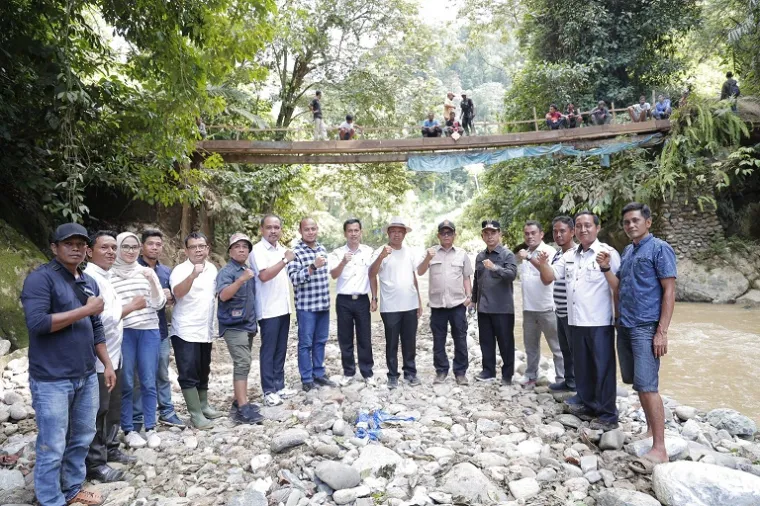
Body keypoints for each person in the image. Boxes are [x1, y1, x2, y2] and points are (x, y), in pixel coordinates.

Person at [21, 223, 116, 506]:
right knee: (52, 443)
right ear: (54, 247)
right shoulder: (40, 279)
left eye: (80, 244)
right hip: (51, 378)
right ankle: (50, 499)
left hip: (86, 374)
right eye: (68, 244)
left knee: (83, 435)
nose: (76, 249)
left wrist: (107, 363)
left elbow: (96, 326)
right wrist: (85, 310)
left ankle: (72, 488)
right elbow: (38, 323)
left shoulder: (88, 281)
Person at [599, 203, 677, 472]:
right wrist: (606, 269)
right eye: (626, 222)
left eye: (635, 220)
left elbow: (669, 291)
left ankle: (660, 449)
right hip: (626, 324)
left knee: (648, 386)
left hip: (646, 326)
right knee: (638, 384)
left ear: (648, 222)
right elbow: (619, 287)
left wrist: (662, 332)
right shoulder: (629, 251)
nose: (631, 225)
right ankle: (650, 431)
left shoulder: (659, 249)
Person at [537, 211, 621, 432]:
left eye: (588, 225)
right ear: (575, 230)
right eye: (580, 226)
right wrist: (543, 264)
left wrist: (618, 317)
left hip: (599, 322)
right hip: (575, 321)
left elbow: (618, 287)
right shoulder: (569, 256)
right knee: (583, 367)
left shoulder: (608, 253)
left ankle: (608, 415)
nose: (584, 229)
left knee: (602, 369)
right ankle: (588, 405)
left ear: (597, 228)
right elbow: (550, 277)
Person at [84, 231, 143, 483]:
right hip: (98, 356)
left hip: (114, 354)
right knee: (99, 409)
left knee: (113, 405)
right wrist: (131, 307)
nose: (110, 252)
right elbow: (99, 318)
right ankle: (96, 462)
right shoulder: (89, 279)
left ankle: (110, 447)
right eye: (104, 247)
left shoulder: (106, 277)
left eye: (113, 247)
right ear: (89, 252)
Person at [111, 232, 166, 449]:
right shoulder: (109, 275)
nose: (130, 251)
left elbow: (159, 303)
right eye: (125, 246)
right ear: (117, 248)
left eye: (134, 247)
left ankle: (150, 427)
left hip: (149, 330)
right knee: (126, 382)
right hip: (124, 332)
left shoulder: (145, 272)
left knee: (148, 380)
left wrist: (152, 280)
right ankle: (129, 429)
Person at [134, 229, 185, 431]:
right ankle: (138, 417)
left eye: (158, 244)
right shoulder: (134, 269)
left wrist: (170, 296)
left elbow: (173, 298)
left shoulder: (166, 272)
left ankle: (167, 411)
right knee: (139, 375)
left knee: (162, 372)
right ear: (142, 247)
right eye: (150, 244)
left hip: (161, 329)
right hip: (138, 329)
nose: (155, 248)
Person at [171, 232, 220, 429]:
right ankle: (195, 414)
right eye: (193, 247)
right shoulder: (180, 270)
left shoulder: (213, 269)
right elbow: (177, 293)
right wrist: (193, 275)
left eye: (202, 246)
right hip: (185, 329)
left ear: (207, 248)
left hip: (205, 329)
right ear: (186, 250)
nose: (198, 250)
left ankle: (204, 405)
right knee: (188, 371)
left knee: (203, 369)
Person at [417, 220, 473, 385]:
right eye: (443, 233)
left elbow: (466, 277)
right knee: (438, 340)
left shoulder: (461, 254)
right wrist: (428, 258)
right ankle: (441, 371)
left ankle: (460, 373)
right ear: (438, 235)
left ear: (454, 235)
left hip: (458, 304)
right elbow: (420, 271)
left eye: (449, 233)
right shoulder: (431, 252)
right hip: (437, 305)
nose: (446, 235)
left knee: (460, 339)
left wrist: (469, 296)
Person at [369, 217, 423, 389]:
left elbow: (414, 276)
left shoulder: (410, 252)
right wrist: (381, 257)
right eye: (393, 231)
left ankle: (410, 373)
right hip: (390, 306)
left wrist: (419, 301)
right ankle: (392, 375)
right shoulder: (381, 251)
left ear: (405, 234)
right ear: (388, 233)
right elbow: (371, 273)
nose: (396, 234)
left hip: (410, 304)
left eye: (400, 231)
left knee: (409, 341)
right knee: (392, 342)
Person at [217, 233, 264, 424]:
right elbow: (223, 296)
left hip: (248, 325)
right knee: (242, 362)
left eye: (245, 247)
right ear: (230, 251)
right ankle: (243, 409)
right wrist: (241, 280)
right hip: (233, 325)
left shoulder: (247, 270)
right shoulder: (227, 272)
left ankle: (238, 403)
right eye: (237, 247)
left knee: (245, 363)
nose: (242, 250)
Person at [250, 215, 297, 406]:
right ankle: (268, 390)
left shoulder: (282, 249)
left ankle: (280, 385)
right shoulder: (257, 250)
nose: (273, 231)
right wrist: (285, 260)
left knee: (281, 348)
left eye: (277, 227)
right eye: (269, 227)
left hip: (283, 307)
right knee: (268, 350)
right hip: (268, 309)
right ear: (262, 229)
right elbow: (264, 276)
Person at [288, 218, 337, 391]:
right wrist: (312, 267)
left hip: (323, 305)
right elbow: (294, 278)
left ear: (317, 230)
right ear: (300, 231)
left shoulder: (322, 249)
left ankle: (319, 373)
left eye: (313, 229)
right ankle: (307, 378)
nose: (310, 232)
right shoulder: (295, 252)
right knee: (305, 344)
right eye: (307, 229)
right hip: (306, 307)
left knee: (321, 341)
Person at [517, 221, 564, 389]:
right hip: (528, 309)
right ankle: (531, 376)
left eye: (533, 233)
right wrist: (527, 257)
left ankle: (562, 380)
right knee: (531, 347)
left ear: (541, 234)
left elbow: (548, 274)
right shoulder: (525, 254)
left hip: (548, 308)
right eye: (527, 234)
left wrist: (529, 258)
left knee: (557, 347)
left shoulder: (549, 252)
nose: (530, 236)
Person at [471, 220, 518, 385]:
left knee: (506, 342)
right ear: (482, 236)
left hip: (502, 308)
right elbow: (476, 280)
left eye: (493, 232)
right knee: (486, 342)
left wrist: (495, 268)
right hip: (483, 307)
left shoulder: (507, 255)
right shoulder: (480, 256)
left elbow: (512, 275)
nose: (490, 236)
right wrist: (473, 300)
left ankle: (507, 375)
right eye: (486, 233)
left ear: (500, 234)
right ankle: (488, 371)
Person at [329, 219, 375, 386]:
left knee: (365, 337)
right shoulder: (337, 253)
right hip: (344, 300)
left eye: (356, 230)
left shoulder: (368, 252)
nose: (353, 234)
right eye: (350, 231)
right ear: (345, 233)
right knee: (345, 338)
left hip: (362, 300)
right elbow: (334, 275)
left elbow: (373, 275)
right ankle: (348, 372)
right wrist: (343, 262)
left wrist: (374, 298)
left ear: (361, 232)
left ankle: (367, 372)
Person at [548, 216, 577, 392]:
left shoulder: (577, 254)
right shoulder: (558, 254)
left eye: (562, 231)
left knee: (575, 351)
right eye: (555, 231)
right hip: (559, 310)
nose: (558, 235)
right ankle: (569, 381)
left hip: (572, 312)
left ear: (572, 232)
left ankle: (579, 388)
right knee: (565, 349)